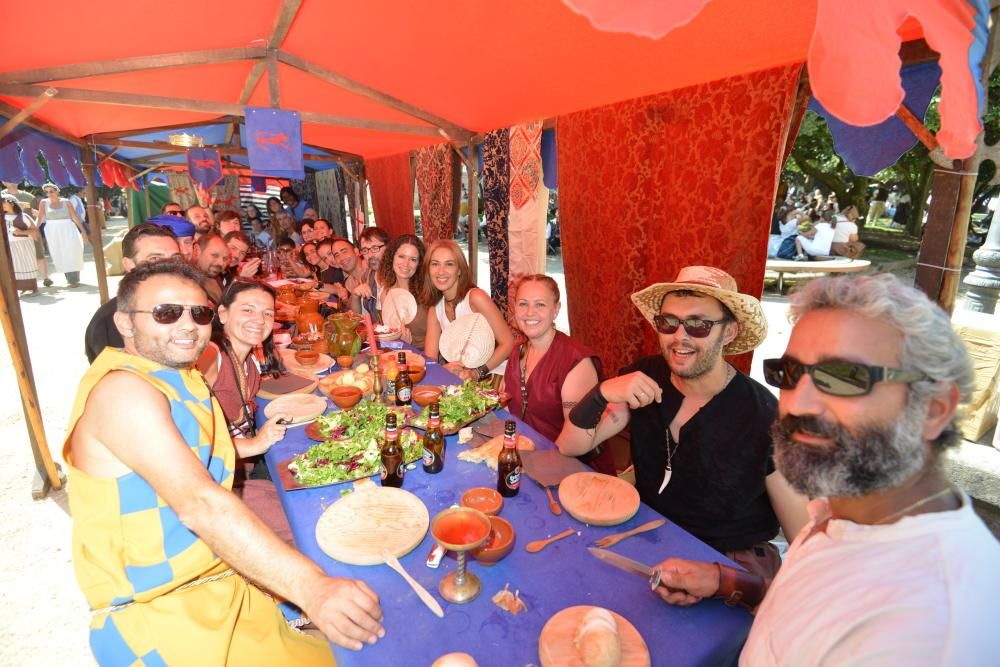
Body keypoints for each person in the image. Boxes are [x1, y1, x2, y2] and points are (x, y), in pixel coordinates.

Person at [654, 273, 1000, 665]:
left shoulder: (932, 629)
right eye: (789, 374)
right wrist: (730, 583)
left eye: (844, 378)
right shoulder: (846, 512)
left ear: (933, 409)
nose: (800, 404)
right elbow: (809, 616)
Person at [65, 260, 384, 664]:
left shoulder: (180, 376)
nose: (187, 324)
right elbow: (202, 504)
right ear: (125, 323)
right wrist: (312, 588)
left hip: (223, 588)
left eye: (198, 313)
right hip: (165, 619)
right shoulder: (124, 391)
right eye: (165, 313)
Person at [562, 266, 807, 578]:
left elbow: (802, 538)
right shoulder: (646, 377)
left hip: (725, 560)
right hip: (647, 532)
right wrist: (601, 393)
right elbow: (570, 445)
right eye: (669, 322)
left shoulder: (765, 419)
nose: (680, 336)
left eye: (699, 325)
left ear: (728, 332)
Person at [503, 274, 616, 475]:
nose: (530, 312)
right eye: (523, 304)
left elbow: (577, 440)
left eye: (540, 305)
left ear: (556, 310)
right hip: (525, 457)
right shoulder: (517, 352)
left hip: (572, 469)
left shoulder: (576, 362)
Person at [196, 280, 286, 483]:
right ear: (223, 314)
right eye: (248, 310)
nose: (260, 320)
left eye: (268, 313)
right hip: (217, 480)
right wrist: (255, 445)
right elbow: (189, 440)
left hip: (241, 470)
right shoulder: (211, 354)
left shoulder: (250, 360)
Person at [85, 223, 181, 363]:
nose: (170, 265)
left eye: (175, 258)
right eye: (154, 258)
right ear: (129, 264)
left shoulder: (184, 305)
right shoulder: (111, 323)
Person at [422, 239, 515, 382]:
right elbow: (430, 358)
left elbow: (508, 342)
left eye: (449, 264)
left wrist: (477, 373)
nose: (441, 271)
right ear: (428, 270)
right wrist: (442, 369)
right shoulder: (435, 308)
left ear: (459, 270)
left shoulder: (475, 298)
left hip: (494, 376)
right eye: (435, 264)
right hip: (461, 380)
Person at [376, 234, 428, 347]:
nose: (406, 264)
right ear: (392, 257)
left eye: (413, 259)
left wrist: (409, 344)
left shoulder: (427, 292)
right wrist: (399, 343)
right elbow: (387, 336)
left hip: (425, 358)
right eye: (401, 256)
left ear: (419, 264)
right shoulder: (385, 292)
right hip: (396, 357)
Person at [37, 182, 88, 287]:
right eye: (47, 192)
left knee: (72, 252)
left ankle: (73, 279)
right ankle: (69, 279)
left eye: (51, 191)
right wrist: (34, 228)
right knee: (60, 253)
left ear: (57, 191)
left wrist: (83, 231)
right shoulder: (43, 203)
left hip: (68, 229)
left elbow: (74, 217)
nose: (49, 194)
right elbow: (40, 217)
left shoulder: (66, 202)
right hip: (52, 231)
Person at [348, 227, 389, 318]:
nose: (370, 255)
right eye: (365, 250)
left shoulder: (399, 275)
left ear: (388, 248)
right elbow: (358, 316)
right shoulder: (368, 275)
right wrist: (355, 295)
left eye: (375, 248)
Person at [3, 195, 40, 296]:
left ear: (12, 203)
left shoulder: (23, 216)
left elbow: (34, 230)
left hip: (25, 244)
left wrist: (21, 232)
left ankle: (34, 288)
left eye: (4, 203)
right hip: (10, 245)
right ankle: (23, 287)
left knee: (28, 264)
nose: (2, 205)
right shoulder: (2, 217)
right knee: (16, 266)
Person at [191, 232, 230, 303]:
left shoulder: (216, 278)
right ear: (197, 251)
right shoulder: (186, 283)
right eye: (215, 255)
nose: (221, 263)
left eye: (225, 258)